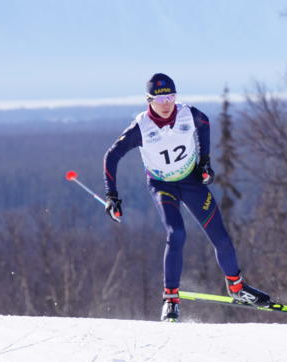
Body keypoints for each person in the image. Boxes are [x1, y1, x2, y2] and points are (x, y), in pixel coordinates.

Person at [102, 73, 269, 322]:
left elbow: (205, 125)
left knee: (220, 236)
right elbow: (111, 156)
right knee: (176, 233)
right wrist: (112, 196)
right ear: (149, 100)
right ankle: (170, 300)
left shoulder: (188, 114)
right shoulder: (141, 128)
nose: (167, 103)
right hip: (162, 186)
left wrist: (204, 163)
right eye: (160, 98)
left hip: (191, 182)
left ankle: (237, 288)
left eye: (171, 96)